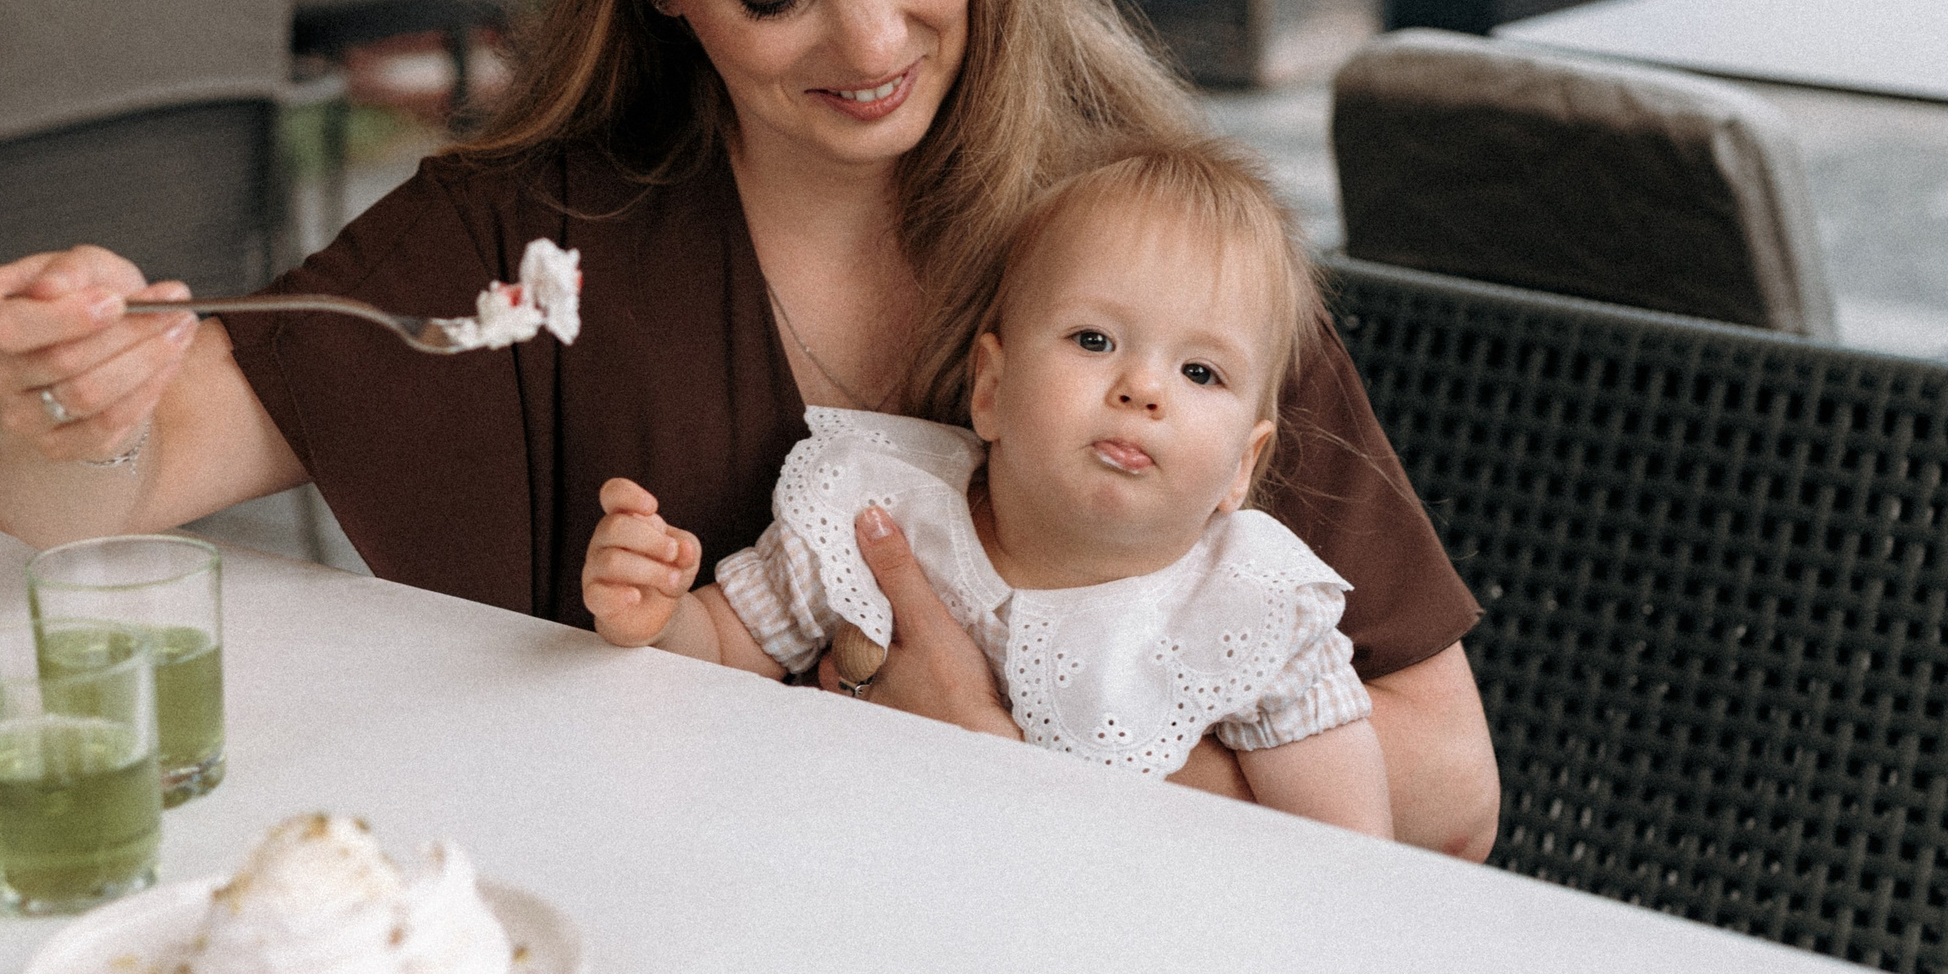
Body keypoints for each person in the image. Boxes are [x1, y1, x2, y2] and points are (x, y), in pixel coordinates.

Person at [0, 0, 1498, 858]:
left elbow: (1448, 785)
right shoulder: (531, 234)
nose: (872, 38)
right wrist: (66, 375)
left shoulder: (1153, 251)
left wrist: (1001, 748)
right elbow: (88, 496)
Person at [584, 143, 1392, 835]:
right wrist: (659, 614)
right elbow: (725, 652)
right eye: (1094, 338)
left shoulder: (1253, 613)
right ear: (990, 390)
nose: (1144, 387)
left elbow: (1343, 861)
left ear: (1242, 467)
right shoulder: (880, 514)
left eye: (1200, 371)